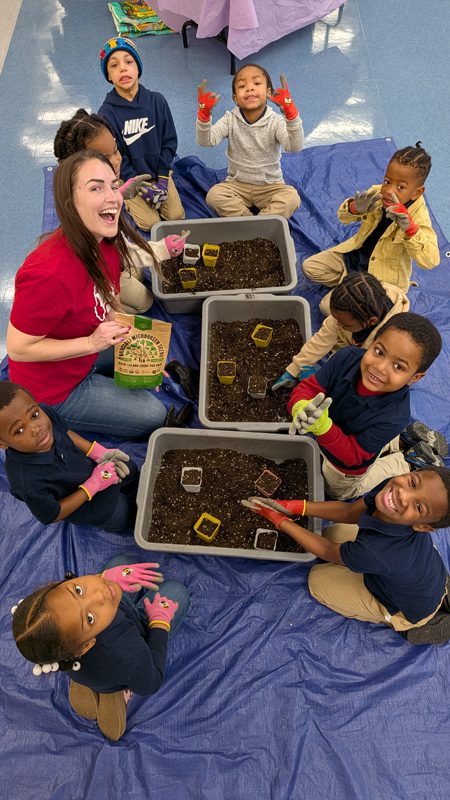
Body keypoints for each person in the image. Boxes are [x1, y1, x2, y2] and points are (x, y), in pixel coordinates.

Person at [7, 150, 192, 439]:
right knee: (155, 415)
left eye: (114, 185)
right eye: (96, 187)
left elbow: (109, 299)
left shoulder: (105, 241)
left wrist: (134, 347)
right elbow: (18, 348)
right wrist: (92, 342)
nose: (113, 197)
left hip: (86, 347)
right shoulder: (47, 273)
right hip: (57, 387)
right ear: (70, 202)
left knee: (154, 355)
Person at [243, 466, 450, 646]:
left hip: (409, 607)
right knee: (332, 533)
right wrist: (295, 507)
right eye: (413, 482)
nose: (403, 495)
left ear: (422, 527)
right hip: (426, 576)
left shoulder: (377, 552)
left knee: (317, 579)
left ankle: (415, 625)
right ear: (412, 473)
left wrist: (280, 520)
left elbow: (326, 551)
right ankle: (442, 593)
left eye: (419, 507)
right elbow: (350, 512)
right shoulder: (392, 490)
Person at [11, 556, 190, 740]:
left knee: (120, 562)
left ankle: (88, 683)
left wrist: (104, 576)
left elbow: (87, 603)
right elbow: (151, 682)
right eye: (89, 618)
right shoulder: (129, 653)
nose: (99, 594)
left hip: (89, 665)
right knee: (176, 591)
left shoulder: (60, 644)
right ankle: (116, 692)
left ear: (59, 583)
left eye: (78, 590)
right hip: (136, 635)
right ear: (85, 646)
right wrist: (159, 623)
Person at [288, 313, 443, 499]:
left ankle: (405, 463)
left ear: (415, 378)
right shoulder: (346, 357)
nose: (380, 367)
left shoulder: (395, 416)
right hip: (331, 431)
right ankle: (403, 439)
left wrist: (324, 429)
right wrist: (300, 405)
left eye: (398, 367)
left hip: (343, 464)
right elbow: (308, 388)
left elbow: (353, 456)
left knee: (340, 492)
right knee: (373, 439)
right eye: (379, 352)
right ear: (373, 341)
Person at [53, 107, 188, 313]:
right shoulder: (90, 227)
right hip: (102, 272)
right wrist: (161, 249)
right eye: (104, 157)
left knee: (139, 274)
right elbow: (113, 252)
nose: (116, 161)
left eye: (115, 150)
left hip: (112, 256)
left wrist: (120, 194)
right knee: (145, 303)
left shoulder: (86, 192)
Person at [302, 143, 439, 303]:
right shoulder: (377, 193)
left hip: (380, 278)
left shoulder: (417, 215)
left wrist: (410, 229)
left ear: (416, 192)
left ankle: (369, 297)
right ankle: (351, 288)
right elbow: (342, 217)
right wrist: (353, 208)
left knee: (328, 306)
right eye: (387, 181)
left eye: (400, 187)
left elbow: (431, 261)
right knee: (310, 267)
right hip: (353, 259)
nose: (389, 190)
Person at [0, 381, 139, 532]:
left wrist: (96, 451)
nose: (36, 429)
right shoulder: (26, 481)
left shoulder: (45, 412)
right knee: (126, 516)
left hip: (95, 469)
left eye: (34, 415)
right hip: (89, 505)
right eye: (19, 431)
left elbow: (64, 431)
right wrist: (92, 486)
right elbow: (54, 514)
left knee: (130, 470)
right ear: (2, 443)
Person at [98, 37, 184, 231]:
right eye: (114, 65)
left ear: (138, 68)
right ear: (109, 76)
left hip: (158, 172)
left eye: (128, 62)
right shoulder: (106, 114)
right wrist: (139, 187)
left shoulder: (157, 101)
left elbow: (169, 142)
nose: (122, 68)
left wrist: (162, 178)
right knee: (150, 224)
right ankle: (125, 199)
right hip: (130, 178)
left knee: (176, 216)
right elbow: (115, 156)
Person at [196, 65, 303, 218]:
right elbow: (206, 141)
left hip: (270, 187)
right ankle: (253, 221)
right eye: (241, 86)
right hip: (237, 185)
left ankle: (250, 222)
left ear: (268, 93)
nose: (249, 89)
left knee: (292, 198)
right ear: (235, 99)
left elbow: (295, 146)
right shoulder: (229, 119)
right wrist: (204, 117)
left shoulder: (275, 121)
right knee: (214, 195)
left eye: (257, 83)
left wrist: (291, 114)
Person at [272, 273, 409, 390]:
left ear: (371, 321)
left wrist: (319, 383)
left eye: (345, 324)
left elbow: (364, 375)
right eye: (336, 318)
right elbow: (322, 339)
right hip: (357, 336)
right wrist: (296, 367)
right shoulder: (356, 311)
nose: (337, 324)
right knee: (325, 308)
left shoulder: (393, 339)